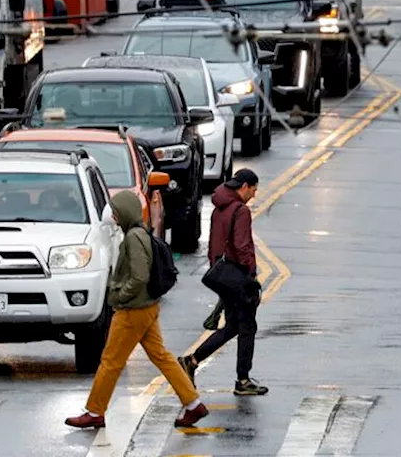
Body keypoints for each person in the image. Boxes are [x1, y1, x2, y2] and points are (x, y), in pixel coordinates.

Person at [65, 191, 208, 430]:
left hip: (132, 310)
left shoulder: (133, 238)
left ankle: (94, 411)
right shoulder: (139, 233)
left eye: (117, 213)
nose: (115, 218)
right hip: (147, 308)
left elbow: (139, 276)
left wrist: (120, 296)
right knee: (161, 357)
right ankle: (194, 404)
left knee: (110, 361)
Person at [178, 168, 269, 396]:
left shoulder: (220, 206)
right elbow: (242, 245)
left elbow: (214, 244)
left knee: (232, 327)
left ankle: (192, 360)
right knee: (247, 326)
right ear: (244, 186)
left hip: (222, 273)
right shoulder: (241, 211)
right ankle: (243, 380)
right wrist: (251, 274)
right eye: (254, 189)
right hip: (238, 276)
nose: (254, 195)